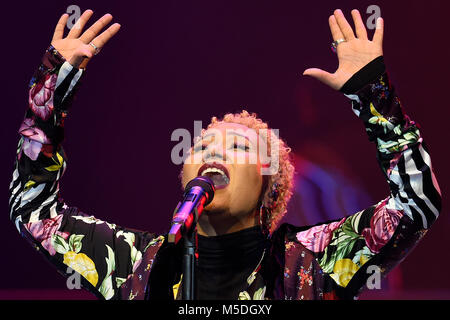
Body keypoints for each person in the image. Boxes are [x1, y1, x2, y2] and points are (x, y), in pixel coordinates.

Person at [9, 8, 441, 300]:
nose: (214, 152)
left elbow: (416, 205)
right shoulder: (135, 263)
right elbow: (33, 212)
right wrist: (49, 94)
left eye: (238, 147)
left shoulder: (310, 261)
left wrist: (372, 94)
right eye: (202, 146)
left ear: (269, 187)